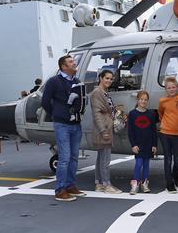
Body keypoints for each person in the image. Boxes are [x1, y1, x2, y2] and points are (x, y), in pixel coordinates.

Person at [41, 55, 86, 202]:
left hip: (75, 124)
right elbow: (45, 101)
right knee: (65, 158)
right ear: (63, 66)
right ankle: (60, 190)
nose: (74, 63)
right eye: (71, 62)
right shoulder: (54, 81)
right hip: (62, 124)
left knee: (73, 157)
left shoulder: (77, 81)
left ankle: (70, 185)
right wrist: (56, 113)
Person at [89, 69, 123, 194]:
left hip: (104, 128)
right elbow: (96, 114)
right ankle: (106, 185)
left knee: (101, 158)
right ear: (100, 78)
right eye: (107, 78)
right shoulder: (97, 92)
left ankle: (99, 184)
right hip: (103, 129)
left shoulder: (103, 92)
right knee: (105, 160)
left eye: (111, 78)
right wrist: (103, 130)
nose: (109, 80)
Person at [157, 76, 178, 192]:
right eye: (169, 88)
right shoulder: (162, 101)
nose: (171, 89)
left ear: (177, 87)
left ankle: (175, 176)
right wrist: (165, 123)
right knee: (168, 159)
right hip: (165, 132)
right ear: (166, 89)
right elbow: (161, 114)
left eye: (173, 87)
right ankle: (169, 183)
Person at [127, 90, 157, 194]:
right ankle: (135, 184)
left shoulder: (151, 114)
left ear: (147, 101)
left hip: (148, 143)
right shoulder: (132, 113)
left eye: (145, 99)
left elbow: (154, 130)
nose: (143, 101)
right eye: (141, 99)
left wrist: (154, 145)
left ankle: (145, 183)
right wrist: (133, 144)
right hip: (138, 144)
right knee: (139, 163)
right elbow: (130, 131)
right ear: (137, 100)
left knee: (146, 164)